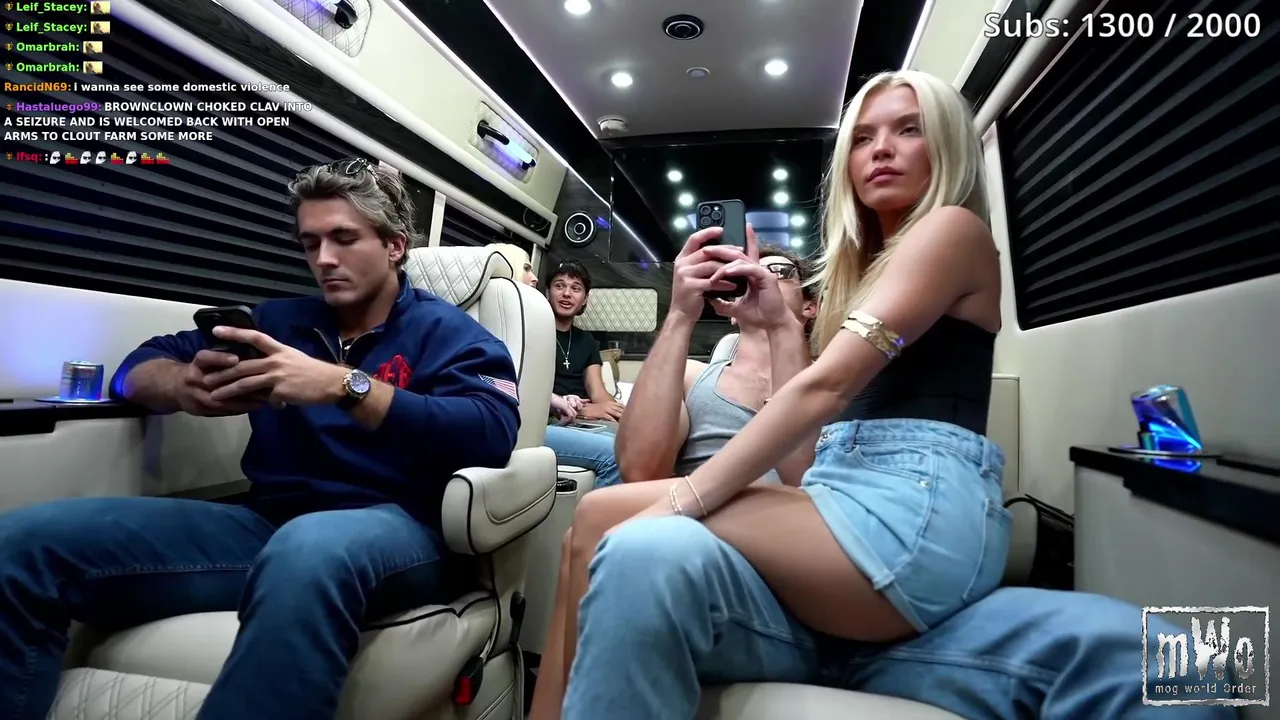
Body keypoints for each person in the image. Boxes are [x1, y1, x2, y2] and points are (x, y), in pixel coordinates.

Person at [542, 67, 1007, 717]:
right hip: (850, 493)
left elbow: (826, 386)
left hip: (917, 510)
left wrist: (681, 501)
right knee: (595, 516)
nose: (880, 149)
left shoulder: (951, 228)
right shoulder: (869, 276)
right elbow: (804, 467)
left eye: (909, 130)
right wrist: (776, 326)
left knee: (609, 520)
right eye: (863, 137)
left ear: (949, 146)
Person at [0, 158, 521, 720]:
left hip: (403, 529)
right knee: (24, 541)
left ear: (395, 246)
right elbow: (137, 366)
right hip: (266, 524)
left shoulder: (453, 334)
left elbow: (489, 432)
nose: (324, 259)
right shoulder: (277, 323)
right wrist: (181, 385)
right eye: (310, 243)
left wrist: (345, 386)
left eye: (344, 239)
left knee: (310, 547)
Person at [527, 237, 819, 717]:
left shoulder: (832, 379)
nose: (760, 276)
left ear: (810, 306)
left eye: (779, 271)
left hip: (783, 538)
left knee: (598, 520)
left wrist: (781, 332)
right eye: (749, 270)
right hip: (689, 531)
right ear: (729, 306)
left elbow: (805, 480)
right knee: (583, 533)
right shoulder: (693, 376)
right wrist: (681, 313)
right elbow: (640, 470)